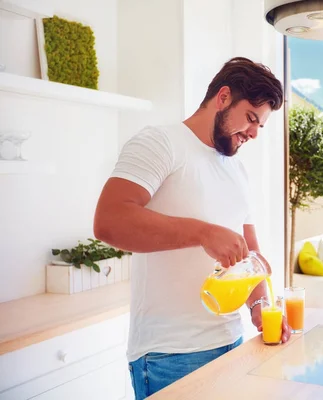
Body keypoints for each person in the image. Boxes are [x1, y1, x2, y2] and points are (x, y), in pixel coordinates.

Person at [93, 57, 291, 399]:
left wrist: (261, 308)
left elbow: (250, 255)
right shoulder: (160, 143)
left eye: (261, 126)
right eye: (251, 118)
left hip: (232, 342)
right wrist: (203, 233)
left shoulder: (237, 171)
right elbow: (109, 220)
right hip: (170, 355)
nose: (255, 133)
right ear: (224, 97)